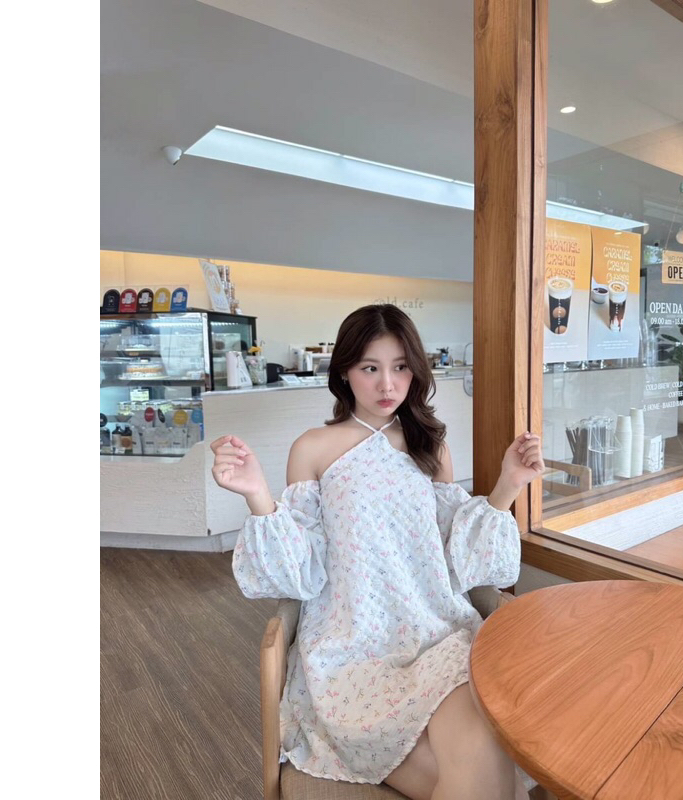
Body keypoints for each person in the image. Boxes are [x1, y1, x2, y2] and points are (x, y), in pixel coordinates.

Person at [211, 304, 544, 800]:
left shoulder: (430, 446)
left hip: (435, 638)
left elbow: (457, 560)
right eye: (370, 368)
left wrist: (507, 486)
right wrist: (258, 496)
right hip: (350, 650)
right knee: (494, 782)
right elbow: (302, 571)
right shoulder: (313, 447)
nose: (387, 384)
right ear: (345, 372)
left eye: (401, 367)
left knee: (479, 753)